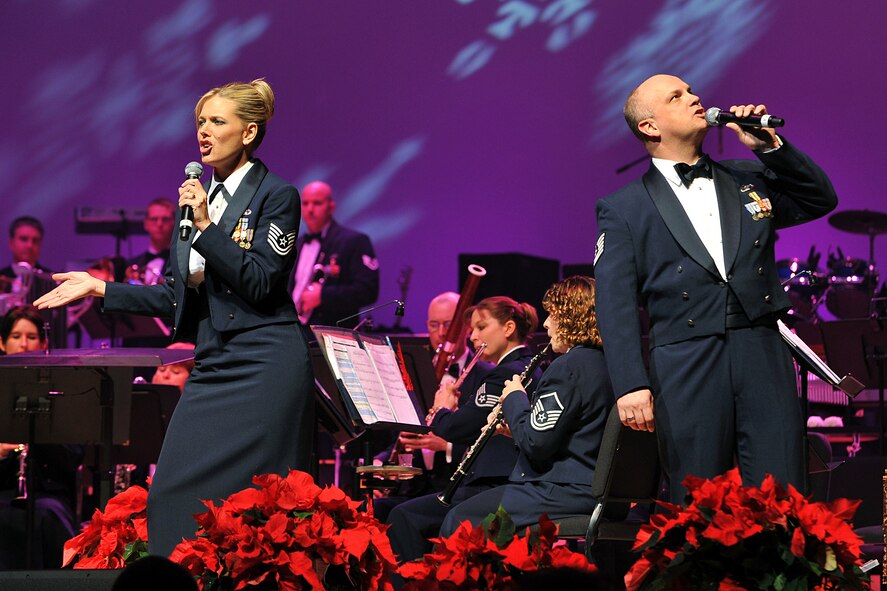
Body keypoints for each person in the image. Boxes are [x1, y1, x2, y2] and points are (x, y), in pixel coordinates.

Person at [34, 79, 315, 557]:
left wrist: (205, 225)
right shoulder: (195, 200)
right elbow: (174, 296)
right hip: (213, 363)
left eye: (217, 122)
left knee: (261, 512)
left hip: (266, 363)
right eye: (201, 122)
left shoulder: (276, 195)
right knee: (172, 496)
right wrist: (101, 287)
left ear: (248, 132)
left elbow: (261, 282)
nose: (203, 131)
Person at [593, 74, 838, 502]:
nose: (694, 98)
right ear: (650, 126)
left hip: (760, 346)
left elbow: (820, 199)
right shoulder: (624, 207)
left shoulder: (747, 177)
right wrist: (631, 384)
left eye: (691, 91)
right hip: (685, 358)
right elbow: (614, 303)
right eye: (677, 96)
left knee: (782, 488)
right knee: (699, 493)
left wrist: (770, 148)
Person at [439, 276, 614, 535]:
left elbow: (536, 444)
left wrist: (514, 397)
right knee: (487, 524)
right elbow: (572, 435)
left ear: (571, 317)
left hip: (564, 490)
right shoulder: (608, 363)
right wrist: (516, 429)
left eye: (552, 315)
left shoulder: (567, 367)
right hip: (595, 490)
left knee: (460, 520)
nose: (546, 323)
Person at [386, 296, 542, 563]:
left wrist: (441, 409)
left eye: (481, 327)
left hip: (495, 485)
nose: (472, 337)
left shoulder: (505, 373)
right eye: (472, 329)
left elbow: (457, 429)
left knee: (404, 517)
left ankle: (421, 580)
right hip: (504, 482)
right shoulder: (524, 366)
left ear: (508, 328)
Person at [371, 292, 491, 522]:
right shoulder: (415, 371)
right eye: (434, 325)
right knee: (370, 511)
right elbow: (401, 436)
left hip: (457, 489)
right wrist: (382, 463)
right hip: (414, 487)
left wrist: (447, 445)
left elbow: (488, 442)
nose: (442, 332)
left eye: (449, 325)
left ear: (465, 328)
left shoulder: (485, 375)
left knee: (404, 517)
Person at [0, 305, 82, 569]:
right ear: (2, 342)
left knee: (47, 515)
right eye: (15, 336)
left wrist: (41, 435)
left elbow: (73, 456)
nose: (23, 344)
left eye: (32, 337)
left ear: (44, 343)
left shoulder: (61, 388)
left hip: (47, 493)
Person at [288, 180, 379, 328]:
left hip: (332, 332)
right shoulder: (296, 244)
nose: (310, 209)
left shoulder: (354, 241)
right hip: (294, 331)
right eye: (305, 203)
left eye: (317, 203)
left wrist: (323, 296)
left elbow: (368, 290)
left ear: (331, 207)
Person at [125, 197, 177, 285]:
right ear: (146, 224)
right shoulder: (131, 265)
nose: (159, 224)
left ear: (174, 223)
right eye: (154, 219)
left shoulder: (181, 264)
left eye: (165, 219)